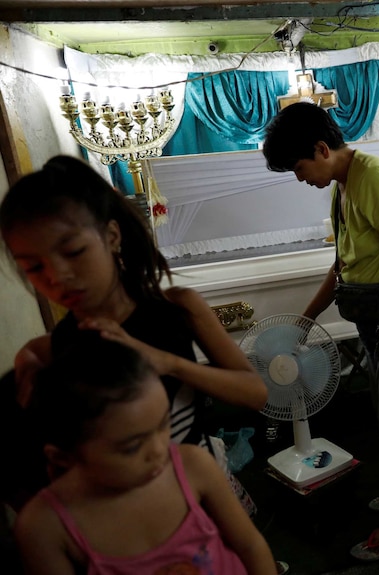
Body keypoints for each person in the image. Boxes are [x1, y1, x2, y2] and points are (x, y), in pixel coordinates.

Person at [0, 155, 268, 510]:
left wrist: (169, 363)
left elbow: (256, 394)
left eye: (74, 251)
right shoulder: (65, 345)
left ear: (111, 236)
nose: (57, 276)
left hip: (202, 491)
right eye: (34, 267)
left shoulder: (178, 308)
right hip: (133, 513)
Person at [263, 102, 379, 561]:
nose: (300, 178)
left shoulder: (375, 179)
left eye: (299, 167)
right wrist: (305, 319)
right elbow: (343, 266)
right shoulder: (343, 184)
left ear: (322, 149)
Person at [14, 334, 278, 574]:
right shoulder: (45, 528)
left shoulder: (193, 465)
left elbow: (251, 545)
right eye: (131, 447)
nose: (159, 450)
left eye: (164, 424)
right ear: (63, 457)